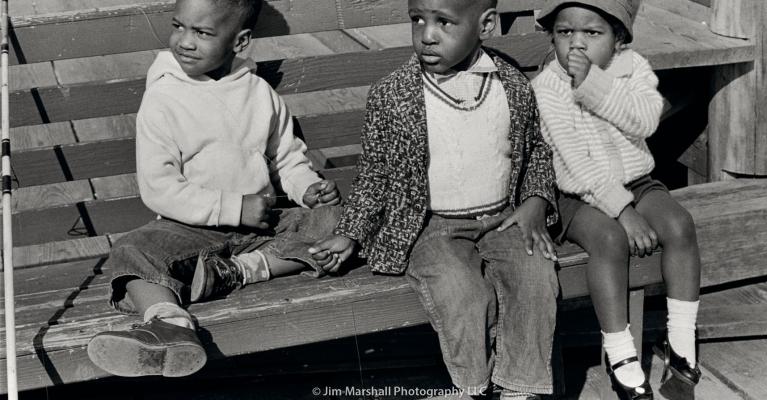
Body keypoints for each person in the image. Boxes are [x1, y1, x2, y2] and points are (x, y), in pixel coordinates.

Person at [309, 0, 560, 398]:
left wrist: (535, 200)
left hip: (503, 218)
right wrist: (350, 233)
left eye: (444, 22)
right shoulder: (393, 95)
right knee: (461, 291)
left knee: (534, 278)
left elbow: (536, 152)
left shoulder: (510, 85)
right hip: (432, 225)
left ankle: (519, 387)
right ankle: (473, 386)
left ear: (487, 24)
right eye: (418, 20)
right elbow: (375, 173)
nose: (427, 34)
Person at [86, 0, 341, 378]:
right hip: (186, 228)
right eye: (178, 26)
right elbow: (159, 187)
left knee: (336, 221)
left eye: (202, 32)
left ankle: (239, 271)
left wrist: (308, 189)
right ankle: (168, 323)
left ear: (240, 42)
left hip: (262, 228)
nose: (184, 41)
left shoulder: (260, 94)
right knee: (131, 250)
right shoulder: (163, 99)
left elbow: (287, 158)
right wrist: (233, 208)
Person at [531, 0, 702, 398]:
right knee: (610, 239)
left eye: (592, 33)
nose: (576, 44)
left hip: (636, 180)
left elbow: (644, 120)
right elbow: (573, 165)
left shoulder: (632, 67)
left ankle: (679, 345)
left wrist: (593, 83)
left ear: (619, 39)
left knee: (680, 225)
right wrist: (622, 211)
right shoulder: (548, 89)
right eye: (564, 32)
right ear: (552, 37)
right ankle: (622, 354)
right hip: (575, 194)